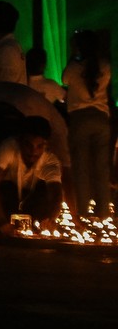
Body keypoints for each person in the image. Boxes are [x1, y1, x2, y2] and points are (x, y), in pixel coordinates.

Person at [0, 117, 63, 235]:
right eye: (28, 145)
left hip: (31, 200)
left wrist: (51, 218)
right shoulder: (8, 148)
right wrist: (1, 221)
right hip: (7, 195)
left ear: (46, 145)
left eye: (39, 146)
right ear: (19, 141)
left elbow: (56, 194)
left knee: (43, 192)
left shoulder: (50, 161)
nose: (33, 152)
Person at [62, 30, 111, 224]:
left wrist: (74, 55)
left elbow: (64, 80)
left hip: (79, 118)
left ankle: (82, 212)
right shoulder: (105, 66)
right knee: (101, 168)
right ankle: (104, 213)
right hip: (101, 118)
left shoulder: (74, 67)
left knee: (81, 168)